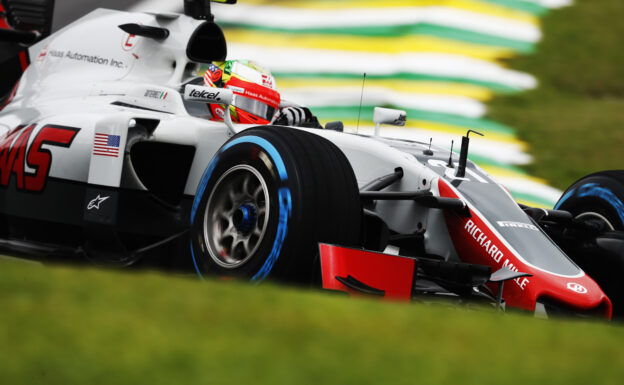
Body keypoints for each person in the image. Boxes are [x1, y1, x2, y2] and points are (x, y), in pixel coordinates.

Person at [200, 60, 322, 128]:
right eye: (251, 104)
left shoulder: (281, 118)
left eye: (266, 109)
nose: (261, 115)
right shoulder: (192, 126)